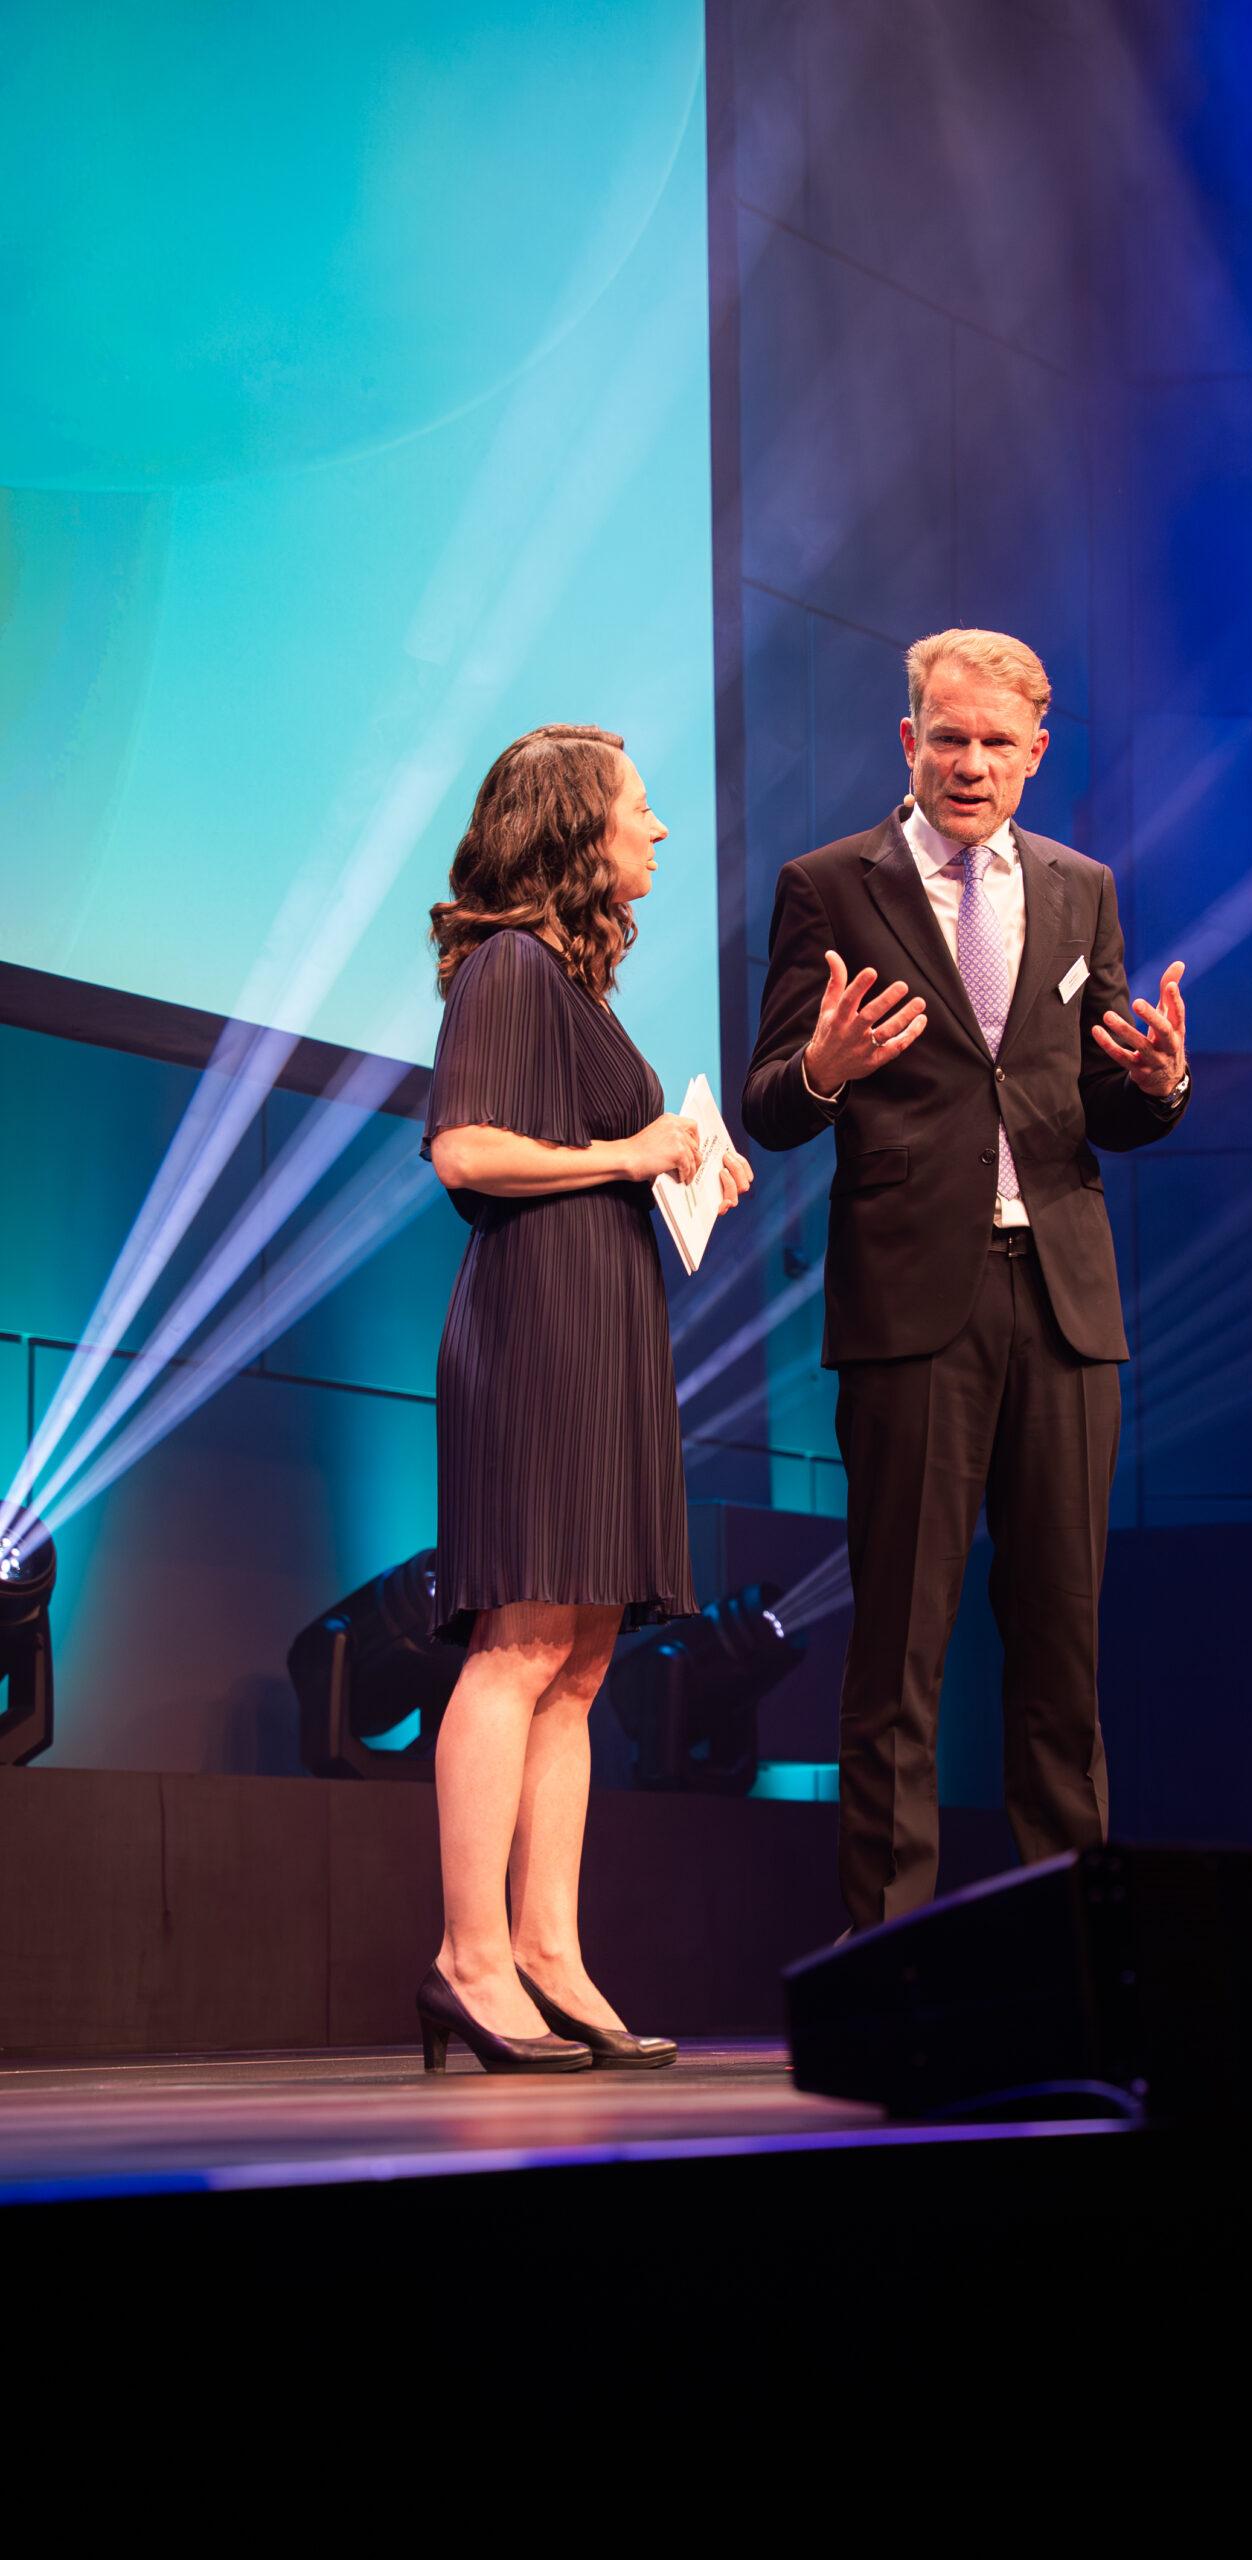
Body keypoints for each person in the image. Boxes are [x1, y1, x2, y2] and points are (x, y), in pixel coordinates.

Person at [742, 629, 1189, 1934]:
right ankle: (888, 1958)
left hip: (1062, 1304)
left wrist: (1159, 1083)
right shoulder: (829, 886)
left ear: (1037, 753)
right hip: (911, 1305)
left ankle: (1080, 1953)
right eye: (949, 738)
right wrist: (821, 1069)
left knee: (1062, 1647)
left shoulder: (1080, 889)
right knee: (900, 1650)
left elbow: (1108, 1100)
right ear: (908, 741)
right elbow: (771, 1104)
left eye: (998, 743)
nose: (971, 764)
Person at [416, 723, 753, 2072]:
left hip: (607, 1326)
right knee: (518, 1642)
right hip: (536, 1331)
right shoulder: (507, 964)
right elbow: (466, 1151)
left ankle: (547, 1949)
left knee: (583, 1656)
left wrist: (684, 1165)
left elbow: (592, 1148)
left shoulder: (572, 985)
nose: (658, 828)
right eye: (639, 806)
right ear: (575, 825)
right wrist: (630, 1151)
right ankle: (469, 1958)